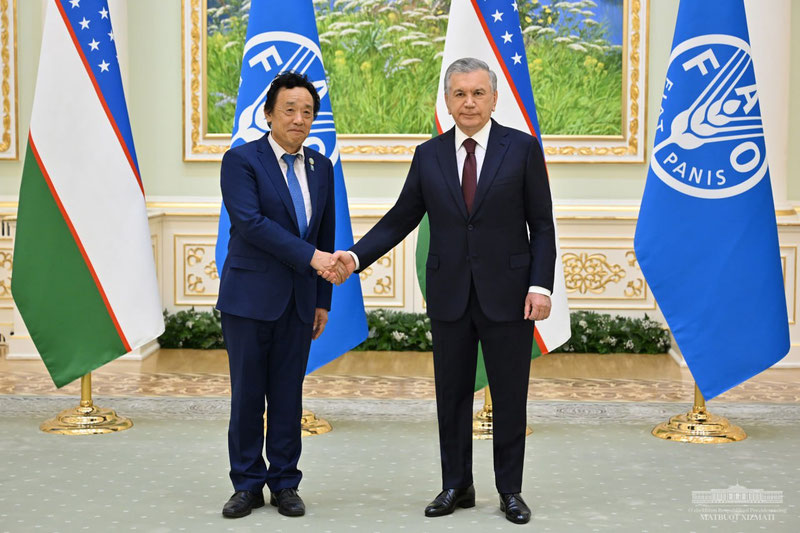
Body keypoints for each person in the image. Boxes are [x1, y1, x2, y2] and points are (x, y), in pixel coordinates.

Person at [324, 57, 555, 525]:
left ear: (494, 98)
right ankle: (457, 485)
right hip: (449, 294)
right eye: (459, 94)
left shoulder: (523, 149)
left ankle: (510, 490)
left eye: (478, 93)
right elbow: (400, 217)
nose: (469, 102)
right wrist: (353, 257)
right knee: (451, 396)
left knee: (511, 396)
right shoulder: (428, 154)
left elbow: (542, 225)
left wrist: (540, 285)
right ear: (447, 101)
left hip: (510, 296)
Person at [216, 71, 341, 519]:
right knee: (248, 395)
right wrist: (312, 259)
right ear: (268, 113)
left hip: (300, 302)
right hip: (249, 300)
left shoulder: (320, 167)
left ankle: (285, 482)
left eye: (308, 112)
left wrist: (322, 297)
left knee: (288, 396)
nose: (299, 118)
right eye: (289, 109)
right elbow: (250, 223)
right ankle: (247, 484)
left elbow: (325, 232)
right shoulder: (242, 161)